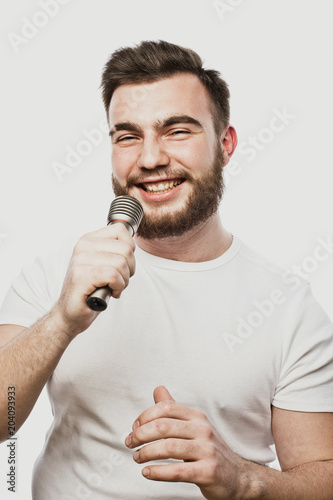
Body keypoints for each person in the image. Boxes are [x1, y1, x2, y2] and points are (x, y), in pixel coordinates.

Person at [0, 40, 332, 500]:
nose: (150, 158)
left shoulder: (289, 309)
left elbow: (322, 476)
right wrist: (61, 321)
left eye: (177, 131)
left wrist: (241, 480)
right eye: (128, 135)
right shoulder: (54, 274)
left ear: (226, 143)